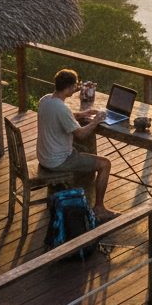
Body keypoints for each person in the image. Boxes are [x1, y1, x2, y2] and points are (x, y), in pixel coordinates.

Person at [36, 68, 121, 222]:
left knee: (85, 153)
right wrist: (96, 121)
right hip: (58, 161)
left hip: (44, 157)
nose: (75, 89)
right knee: (105, 164)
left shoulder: (45, 100)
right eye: (74, 86)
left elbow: (64, 117)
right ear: (69, 88)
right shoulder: (61, 108)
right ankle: (99, 208)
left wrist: (82, 114)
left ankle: (80, 191)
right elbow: (81, 134)